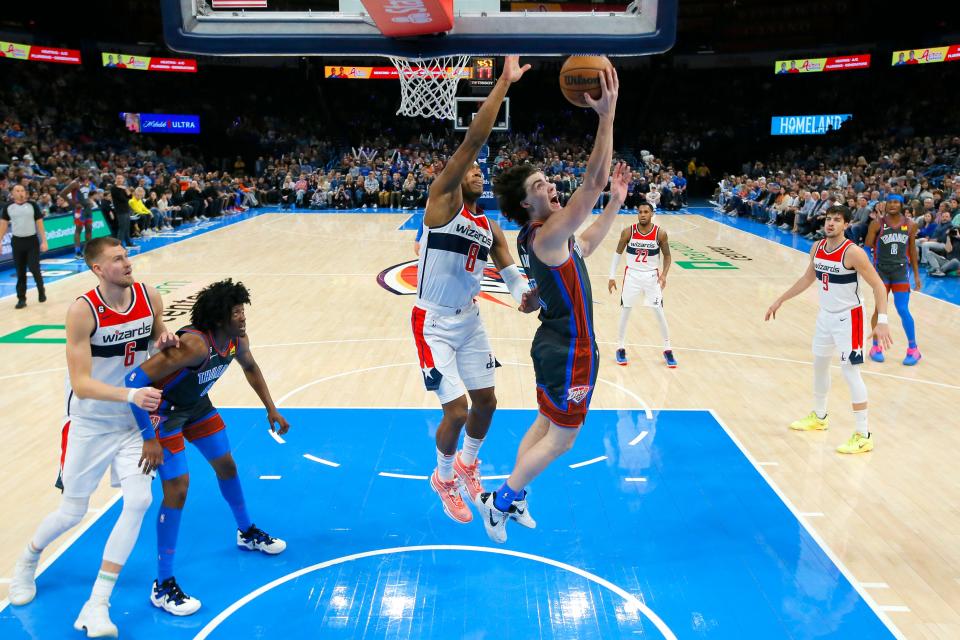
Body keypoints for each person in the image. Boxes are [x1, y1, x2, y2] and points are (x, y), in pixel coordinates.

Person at [477, 66, 621, 543]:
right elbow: (593, 181)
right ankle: (500, 500)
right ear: (527, 205)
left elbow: (591, 240)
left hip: (554, 344)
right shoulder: (547, 234)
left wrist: (616, 203)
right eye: (540, 185)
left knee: (545, 421)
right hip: (571, 349)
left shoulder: (545, 237)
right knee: (564, 437)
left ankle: (512, 496)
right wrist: (606, 114)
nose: (551, 186)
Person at [8, 236, 176, 636]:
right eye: (117, 259)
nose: (127, 262)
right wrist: (131, 393)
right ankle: (28, 560)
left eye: (127, 255)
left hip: (133, 422)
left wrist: (164, 339)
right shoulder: (82, 312)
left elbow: (154, 337)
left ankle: (97, 604)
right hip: (90, 423)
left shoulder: (148, 296)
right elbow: (82, 384)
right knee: (72, 512)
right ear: (98, 269)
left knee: (139, 500)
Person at [413, 55, 536, 525]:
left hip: (469, 320)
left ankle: (467, 464)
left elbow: (510, 274)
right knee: (458, 410)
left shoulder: (491, 228)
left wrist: (526, 295)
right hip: (432, 322)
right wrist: (504, 82)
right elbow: (474, 141)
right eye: (472, 171)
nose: (478, 172)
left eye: (481, 172)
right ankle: (443, 475)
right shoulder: (442, 202)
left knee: (487, 403)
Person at [128, 279, 289, 615]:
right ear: (219, 317)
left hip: (196, 406)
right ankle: (162, 584)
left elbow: (251, 367)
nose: (242, 317)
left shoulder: (236, 340)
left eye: (242, 310)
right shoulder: (194, 346)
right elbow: (134, 382)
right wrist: (148, 436)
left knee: (227, 467)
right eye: (236, 312)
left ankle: (246, 532)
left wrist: (270, 407)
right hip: (162, 412)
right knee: (178, 490)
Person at [766, 206, 893, 453]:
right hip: (825, 317)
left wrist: (883, 320)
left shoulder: (853, 253)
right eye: (828, 219)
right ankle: (820, 417)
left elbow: (878, 285)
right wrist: (780, 299)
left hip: (850, 318)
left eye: (837, 220)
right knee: (820, 365)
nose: (831, 223)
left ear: (846, 224)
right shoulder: (818, 248)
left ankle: (863, 434)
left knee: (850, 373)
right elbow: (807, 279)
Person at [608, 202, 676, 367]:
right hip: (632, 275)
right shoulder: (628, 232)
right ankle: (620, 347)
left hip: (652, 277)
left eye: (646, 212)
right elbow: (617, 253)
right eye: (640, 212)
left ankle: (668, 349)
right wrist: (611, 276)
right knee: (626, 311)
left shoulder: (660, 234)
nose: (642, 214)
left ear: (652, 214)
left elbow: (667, 256)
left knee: (659, 312)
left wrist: (664, 275)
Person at [864, 194, 922, 365]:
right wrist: (869, 270)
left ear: (902, 205)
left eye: (896, 202)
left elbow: (912, 250)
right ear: (885, 204)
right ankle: (876, 347)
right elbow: (867, 248)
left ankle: (914, 349)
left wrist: (916, 276)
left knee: (903, 309)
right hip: (881, 272)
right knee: (878, 310)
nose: (892, 205)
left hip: (900, 273)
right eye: (889, 202)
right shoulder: (877, 223)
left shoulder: (911, 224)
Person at [0, 184, 48, 309]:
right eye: (17, 190)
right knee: (20, 272)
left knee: (34, 268)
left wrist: (44, 241)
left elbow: (40, 224)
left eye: (22, 190)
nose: (20, 192)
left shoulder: (32, 205)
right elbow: (3, 225)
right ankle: (21, 299)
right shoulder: (8, 207)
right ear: (12, 193)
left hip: (31, 241)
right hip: (17, 242)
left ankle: (41, 289)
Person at [60, 174, 94, 258]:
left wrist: (90, 200)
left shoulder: (88, 182)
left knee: (89, 228)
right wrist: (74, 203)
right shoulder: (74, 183)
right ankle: (77, 252)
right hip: (79, 209)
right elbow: (62, 193)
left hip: (87, 209)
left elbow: (86, 194)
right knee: (79, 229)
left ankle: (88, 251)